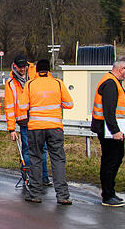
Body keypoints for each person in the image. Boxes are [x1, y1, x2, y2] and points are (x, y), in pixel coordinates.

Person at [17, 59, 74, 204]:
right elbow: (69, 104)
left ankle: (35, 193)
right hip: (55, 127)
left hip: (36, 128)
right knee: (58, 159)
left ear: (36, 71)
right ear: (49, 70)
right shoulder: (58, 83)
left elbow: (22, 105)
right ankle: (63, 195)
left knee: (35, 159)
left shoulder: (30, 85)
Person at [4, 54, 50, 187]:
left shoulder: (36, 75)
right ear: (15, 66)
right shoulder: (11, 83)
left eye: (24, 66)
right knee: (27, 149)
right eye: (20, 67)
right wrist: (11, 128)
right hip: (24, 121)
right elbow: (9, 106)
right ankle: (29, 177)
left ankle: (44, 176)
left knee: (43, 149)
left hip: (40, 118)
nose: (22, 69)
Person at [91, 58, 125, 207]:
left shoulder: (112, 81)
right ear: (121, 69)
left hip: (110, 128)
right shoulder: (110, 83)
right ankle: (108, 195)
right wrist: (115, 130)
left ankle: (110, 192)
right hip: (109, 130)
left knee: (116, 158)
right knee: (110, 160)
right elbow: (109, 110)